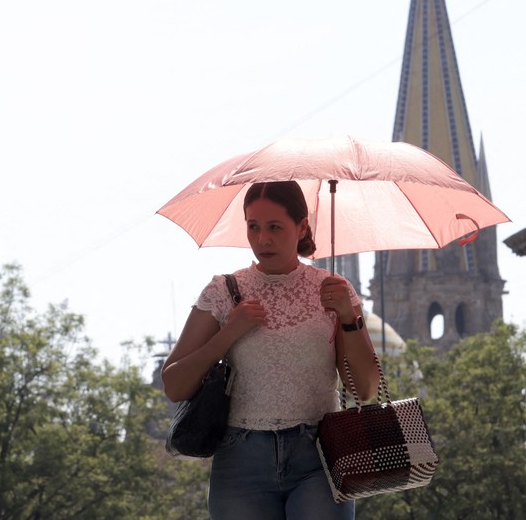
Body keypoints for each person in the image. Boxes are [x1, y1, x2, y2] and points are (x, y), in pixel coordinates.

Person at [162, 180, 379, 520]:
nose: (262, 239)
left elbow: (364, 389)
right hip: (240, 460)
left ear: (301, 226)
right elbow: (174, 385)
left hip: (319, 456)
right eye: (253, 227)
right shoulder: (223, 290)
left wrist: (350, 318)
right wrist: (228, 333)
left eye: (275, 227)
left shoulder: (333, 290)